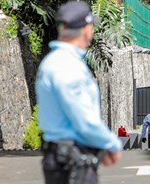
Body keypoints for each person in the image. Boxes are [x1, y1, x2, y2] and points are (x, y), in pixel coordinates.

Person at [35, 2, 122, 184]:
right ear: (86, 29)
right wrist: (111, 144)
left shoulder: (53, 62)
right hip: (71, 163)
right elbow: (84, 120)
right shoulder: (67, 66)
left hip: (61, 158)